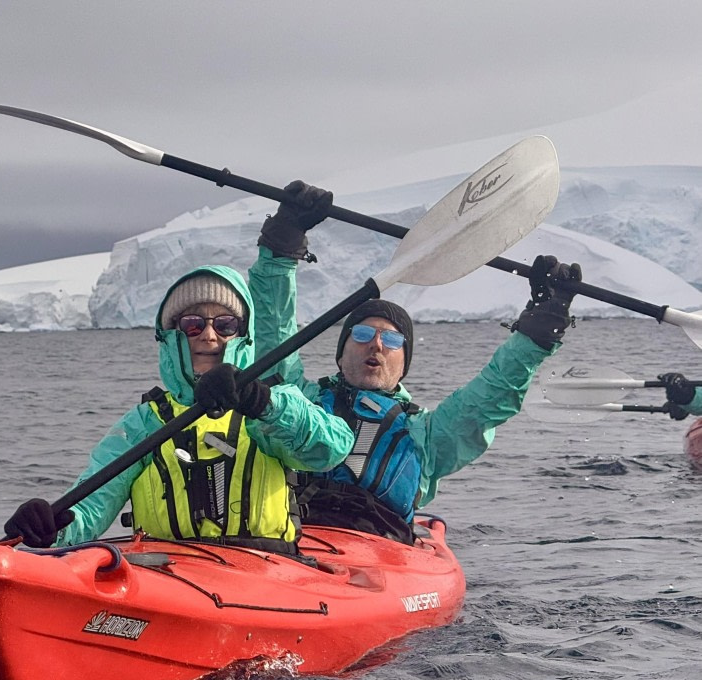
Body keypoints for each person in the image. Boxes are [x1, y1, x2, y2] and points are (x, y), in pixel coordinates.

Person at [248, 181, 584, 544]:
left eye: (391, 340)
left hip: (382, 555)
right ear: (341, 355)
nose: (375, 344)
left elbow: (490, 399)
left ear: (403, 364)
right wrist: (281, 246)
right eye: (361, 335)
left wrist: (535, 336)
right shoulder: (295, 400)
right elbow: (274, 330)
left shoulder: (426, 434)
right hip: (291, 543)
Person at [3, 264, 355, 554]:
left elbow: (332, 449)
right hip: (170, 570)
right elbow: (93, 506)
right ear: (172, 336)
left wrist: (261, 401)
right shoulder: (145, 422)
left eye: (225, 324)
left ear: (242, 335)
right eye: (192, 324)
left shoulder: (268, 406)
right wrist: (50, 529)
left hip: (266, 567)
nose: (209, 336)